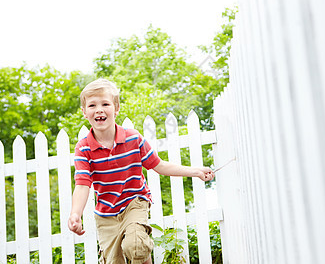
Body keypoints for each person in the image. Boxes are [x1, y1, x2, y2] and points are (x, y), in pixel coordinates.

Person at [68, 78, 215, 264]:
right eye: (92, 105)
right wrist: (75, 213)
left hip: (134, 203)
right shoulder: (84, 149)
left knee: (136, 246)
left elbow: (159, 165)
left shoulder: (133, 139)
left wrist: (195, 171)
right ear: (84, 112)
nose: (98, 109)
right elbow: (82, 185)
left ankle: (142, 253)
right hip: (106, 214)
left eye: (105, 104)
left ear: (116, 108)